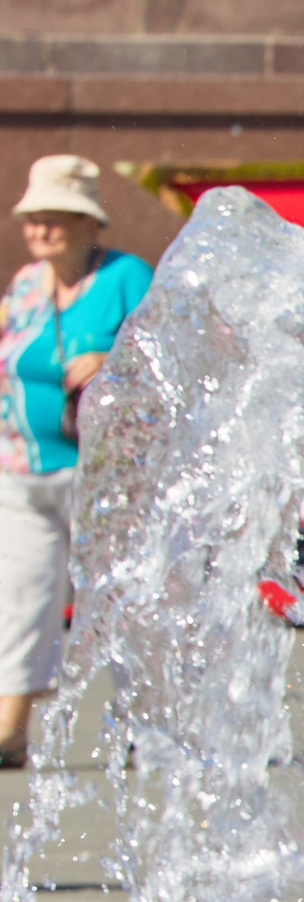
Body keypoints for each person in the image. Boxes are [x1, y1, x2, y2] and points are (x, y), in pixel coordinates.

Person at [0, 157, 150, 767]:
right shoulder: (26, 284)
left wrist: (110, 358)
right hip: (22, 469)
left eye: (58, 216)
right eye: (36, 218)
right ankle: (10, 730)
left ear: (90, 224)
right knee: (21, 598)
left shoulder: (125, 277)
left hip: (105, 474)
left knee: (121, 599)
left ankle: (148, 727)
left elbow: (166, 348)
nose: (43, 229)